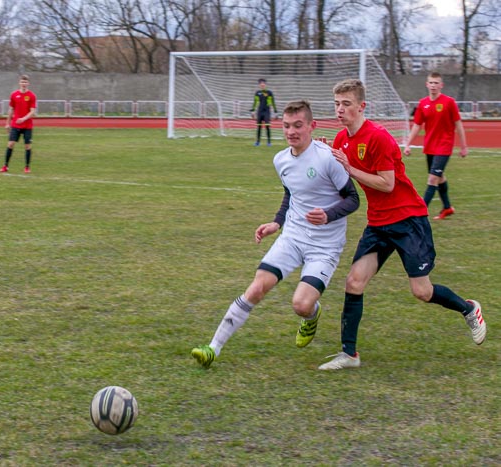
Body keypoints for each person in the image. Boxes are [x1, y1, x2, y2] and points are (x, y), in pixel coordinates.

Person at [320, 78, 486, 371]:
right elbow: (344, 179)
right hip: (378, 224)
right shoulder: (341, 140)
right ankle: (349, 354)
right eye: (336, 104)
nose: (340, 110)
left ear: (362, 106)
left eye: (346, 104)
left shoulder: (378, 137)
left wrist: (349, 166)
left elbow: (387, 184)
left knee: (421, 292)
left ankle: (469, 308)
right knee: (354, 282)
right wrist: (326, 157)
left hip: (408, 220)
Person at [191, 100, 360, 369]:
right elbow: (290, 194)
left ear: (311, 126)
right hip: (292, 237)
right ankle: (213, 348)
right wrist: (276, 223)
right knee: (257, 287)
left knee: (301, 305)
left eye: (298, 126)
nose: (292, 131)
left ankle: (311, 316)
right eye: (286, 126)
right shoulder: (280, 159)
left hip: (325, 246)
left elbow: (353, 199)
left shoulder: (328, 157)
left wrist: (328, 215)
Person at [403, 72, 468, 220]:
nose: (433, 85)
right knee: (439, 177)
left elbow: (458, 124)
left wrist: (464, 146)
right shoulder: (423, 103)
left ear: (441, 85)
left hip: (444, 146)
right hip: (430, 146)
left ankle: (420, 213)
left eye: (436, 83)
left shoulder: (449, 102)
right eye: (431, 83)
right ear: (427, 84)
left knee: (432, 179)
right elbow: (417, 125)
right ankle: (447, 207)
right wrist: (408, 144)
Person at [0, 75, 37, 173]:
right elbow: (11, 109)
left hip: (27, 125)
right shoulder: (14, 95)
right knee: (10, 144)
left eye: (25, 82)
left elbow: (32, 112)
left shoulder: (32, 96)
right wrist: (7, 123)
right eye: (22, 82)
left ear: (28, 83)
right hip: (16, 125)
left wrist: (23, 119)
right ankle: (5, 166)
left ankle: (27, 167)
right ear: (19, 83)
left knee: (27, 146)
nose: (24, 84)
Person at [250, 78, 278, 147]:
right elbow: (255, 102)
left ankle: (269, 142)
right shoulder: (257, 93)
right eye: (261, 84)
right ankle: (257, 142)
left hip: (266, 112)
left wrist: (275, 112)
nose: (262, 85)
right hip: (260, 112)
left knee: (267, 126)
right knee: (259, 127)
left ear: (265, 84)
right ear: (259, 85)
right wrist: (253, 111)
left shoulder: (269, 93)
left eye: (263, 83)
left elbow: (273, 102)